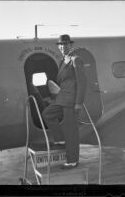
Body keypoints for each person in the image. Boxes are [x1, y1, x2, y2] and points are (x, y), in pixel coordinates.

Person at [42, 34, 87, 170]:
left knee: (71, 131)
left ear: (70, 45)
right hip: (61, 99)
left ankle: (73, 161)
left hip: (71, 101)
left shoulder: (75, 60)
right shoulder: (63, 61)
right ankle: (60, 139)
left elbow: (82, 82)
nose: (62, 47)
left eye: (65, 44)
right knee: (47, 114)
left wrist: (78, 102)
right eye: (60, 45)